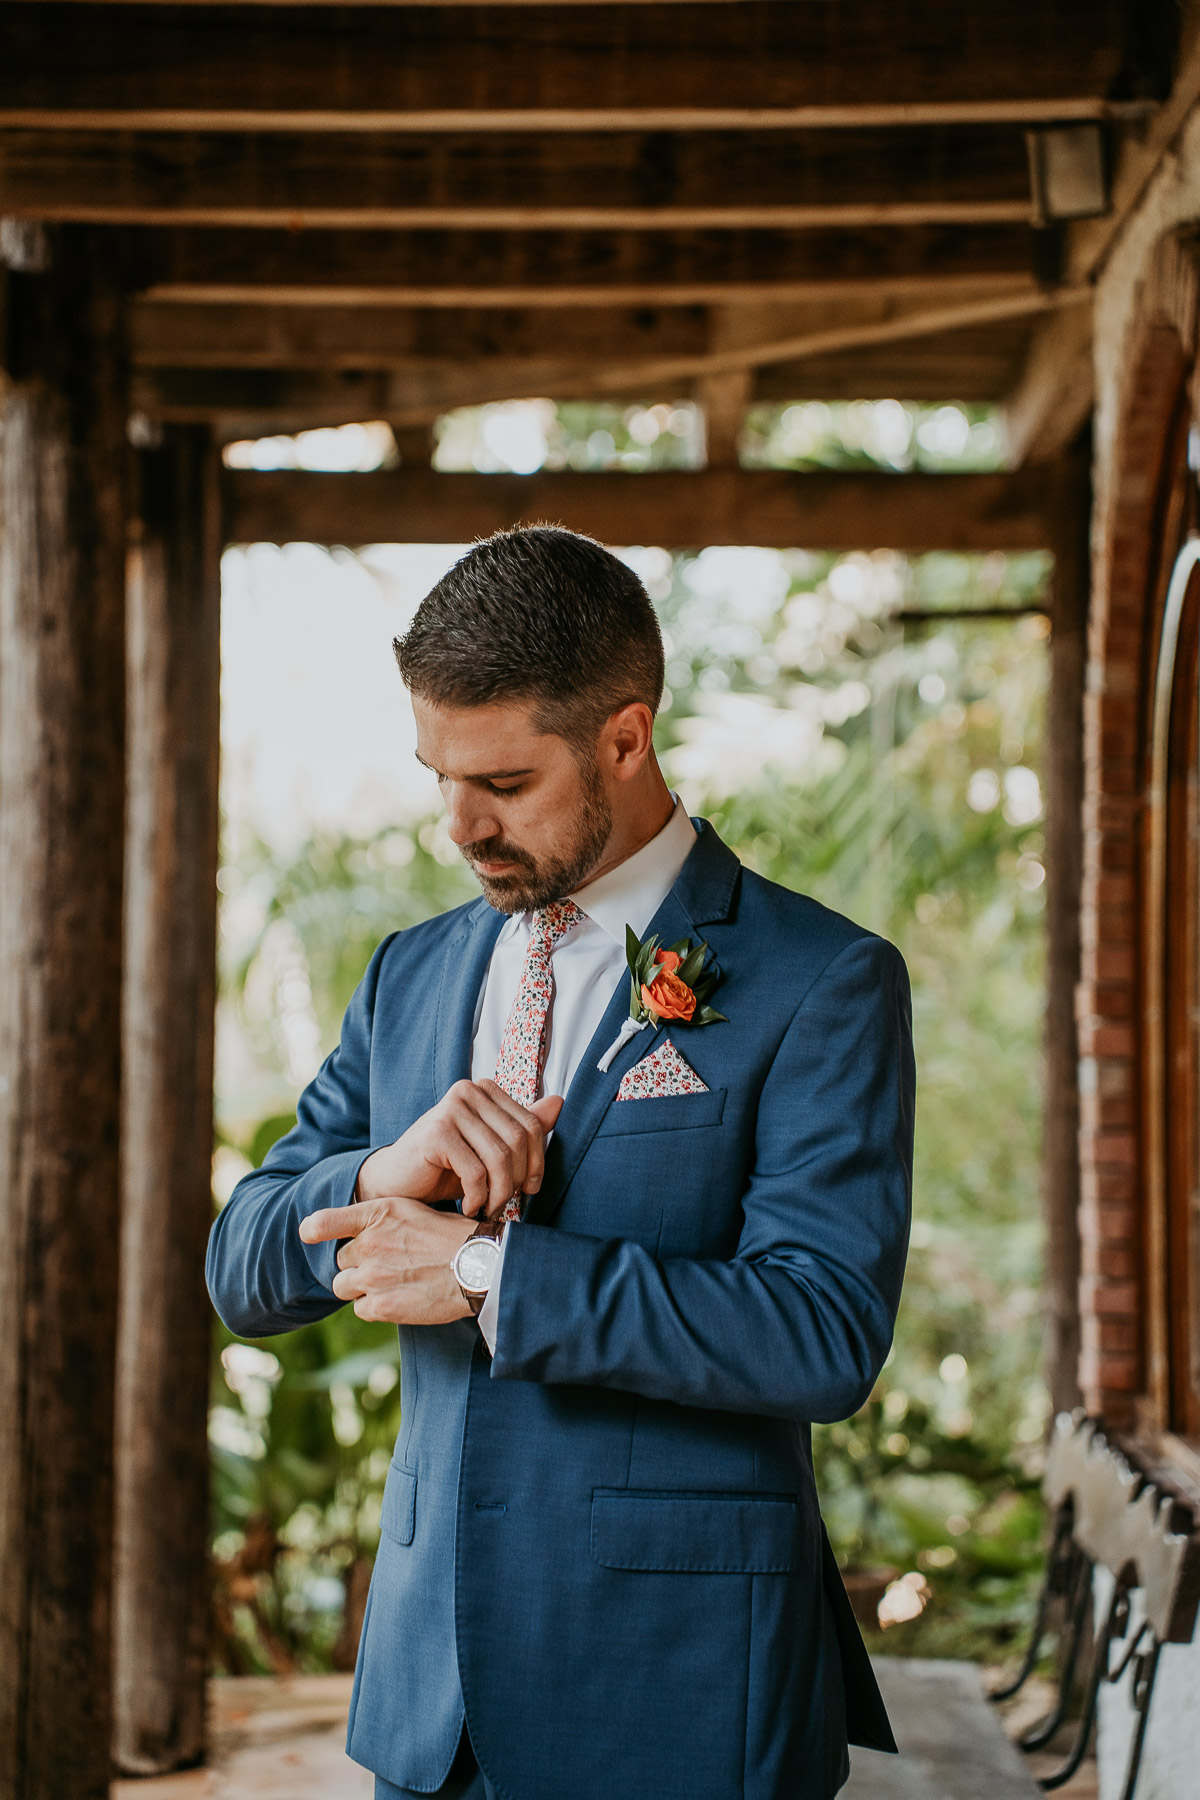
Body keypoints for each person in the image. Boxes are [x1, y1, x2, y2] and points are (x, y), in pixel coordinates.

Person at [207, 525, 914, 1800]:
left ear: (627, 738)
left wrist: (489, 1271)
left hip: (686, 1693)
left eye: (505, 783)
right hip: (434, 1708)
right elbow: (243, 1267)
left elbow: (822, 1333)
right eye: (437, 776)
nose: (460, 825)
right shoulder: (410, 973)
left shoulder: (823, 981)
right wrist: (379, 1174)